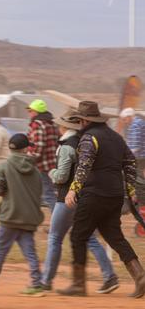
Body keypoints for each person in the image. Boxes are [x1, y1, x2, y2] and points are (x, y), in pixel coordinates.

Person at [58, 101, 145, 298]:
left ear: (83, 120)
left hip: (94, 194)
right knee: (115, 237)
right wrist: (130, 187)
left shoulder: (89, 137)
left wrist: (74, 189)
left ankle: (79, 285)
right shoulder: (116, 137)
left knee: (77, 236)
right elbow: (131, 161)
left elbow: (84, 165)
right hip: (115, 195)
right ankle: (140, 276)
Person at [39, 111, 118, 292]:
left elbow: (61, 177)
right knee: (88, 238)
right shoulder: (84, 143)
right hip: (85, 196)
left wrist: (51, 172)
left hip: (66, 197)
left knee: (54, 237)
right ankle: (109, 276)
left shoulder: (67, 146)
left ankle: (46, 280)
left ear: (66, 127)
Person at [0, 133, 45, 297]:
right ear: (26, 148)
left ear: (11, 148)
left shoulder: (3, 166)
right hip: (29, 217)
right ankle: (36, 284)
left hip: (10, 216)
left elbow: (0, 191)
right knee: (30, 251)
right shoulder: (35, 170)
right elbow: (39, 192)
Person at [26, 99, 59, 211]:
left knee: (48, 194)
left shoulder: (37, 124)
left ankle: (59, 223)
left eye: (30, 110)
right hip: (52, 163)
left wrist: (28, 159)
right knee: (48, 193)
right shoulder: (52, 123)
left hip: (41, 165)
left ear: (36, 111)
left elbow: (38, 147)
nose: (29, 113)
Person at [120, 107, 145, 174]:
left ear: (129, 117)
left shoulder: (135, 125)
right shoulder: (140, 122)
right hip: (142, 155)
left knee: (137, 175)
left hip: (139, 156)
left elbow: (135, 145)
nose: (124, 122)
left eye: (124, 119)